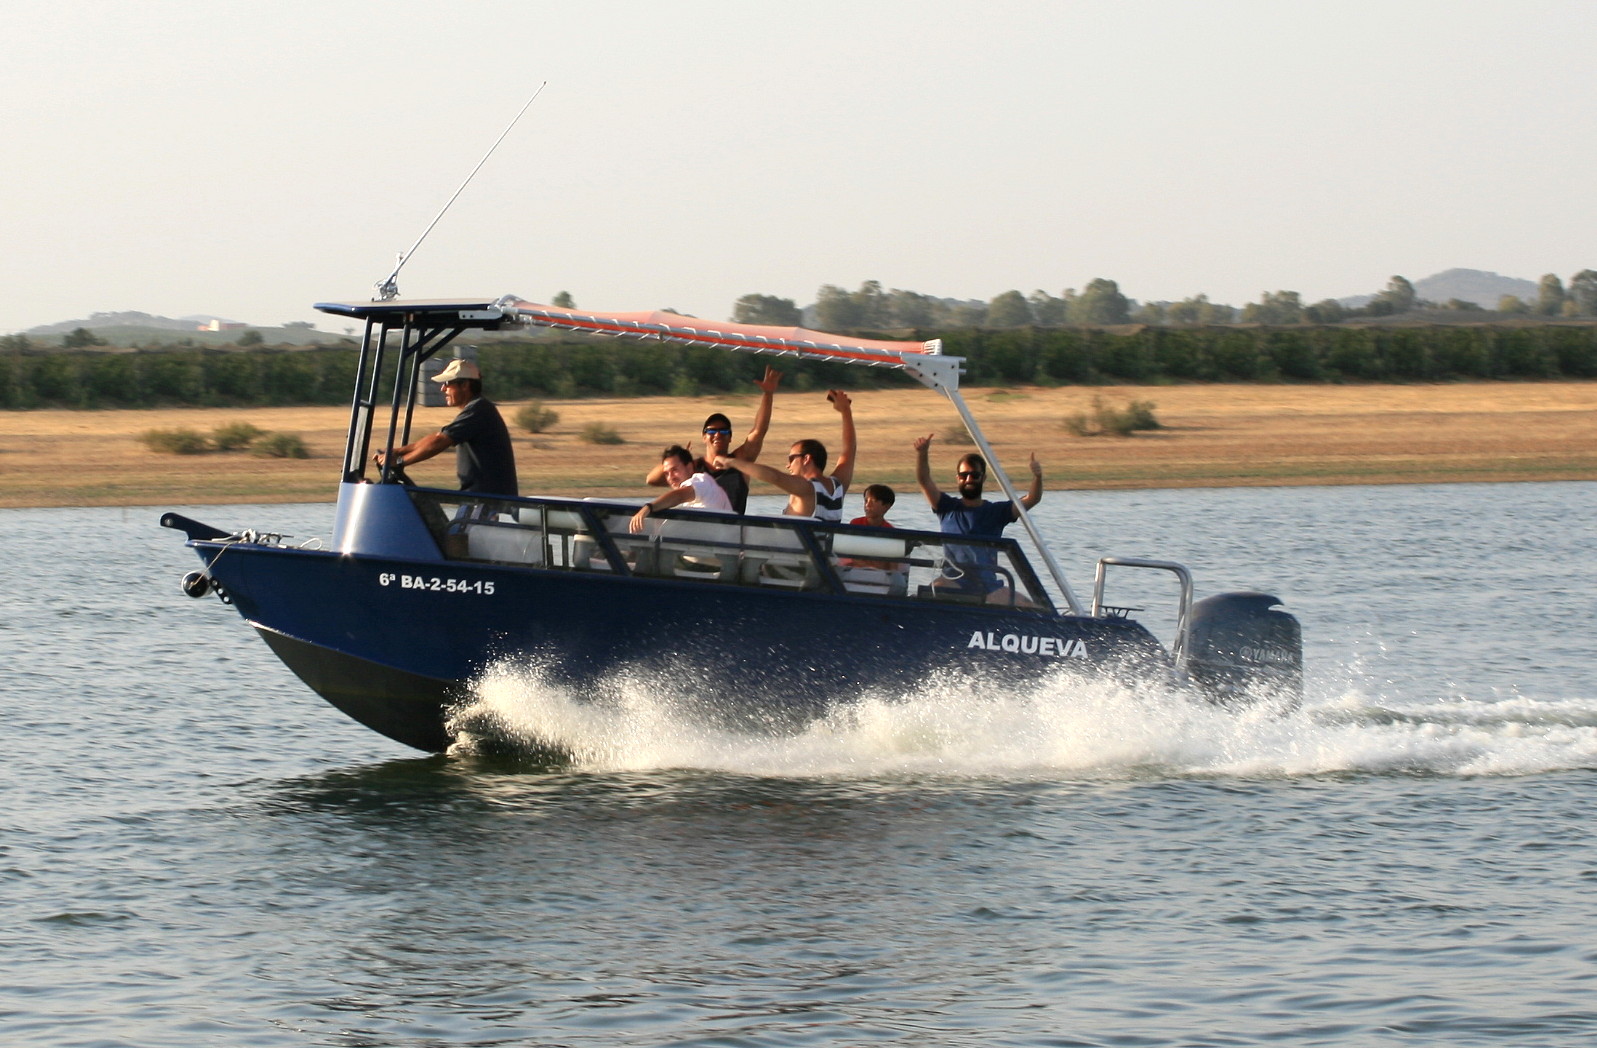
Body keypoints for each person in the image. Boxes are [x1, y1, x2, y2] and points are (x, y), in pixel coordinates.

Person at [913, 435, 1042, 603]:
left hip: (988, 587)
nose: (969, 480)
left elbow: (1032, 499)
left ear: (983, 478)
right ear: (958, 478)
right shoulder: (946, 507)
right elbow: (924, 480)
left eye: (974, 475)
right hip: (954, 582)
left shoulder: (997, 512)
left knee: (1030, 607)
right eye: (964, 475)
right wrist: (922, 453)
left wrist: (1037, 477)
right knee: (928, 593)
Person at [644, 365, 782, 512]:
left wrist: (768, 394)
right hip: (704, 530)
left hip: (733, 530)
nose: (718, 435)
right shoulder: (694, 467)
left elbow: (758, 431)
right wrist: (679, 458)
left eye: (723, 431)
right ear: (704, 437)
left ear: (730, 437)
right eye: (712, 431)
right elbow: (652, 480)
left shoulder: (741, 460)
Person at [373, 358, 518, 496]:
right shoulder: (477, 409)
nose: (443, 389)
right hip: (479, 497)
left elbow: (439, 442)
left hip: (488, 501)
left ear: (465, 385)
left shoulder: (478, 410)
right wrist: (397, 452)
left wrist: (399, 462)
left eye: (447, 383)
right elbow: (437, 437)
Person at [712, 389, 856, 519]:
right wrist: (845, 411)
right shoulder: (838, 486)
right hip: (825, 548)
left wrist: (731, 462)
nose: (788, 465)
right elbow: (849, 450)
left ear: (806, 459)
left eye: (792, 458)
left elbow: (774, 477)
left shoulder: (806, 488)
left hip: (802, 548)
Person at [629, 444, 734, 533]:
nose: (671, 477)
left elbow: (679, 496)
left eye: (674, 470)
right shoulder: (687, 500)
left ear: (689, 467)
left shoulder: (702, 481)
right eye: (666, 474)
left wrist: (648, 508)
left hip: (717, 549)